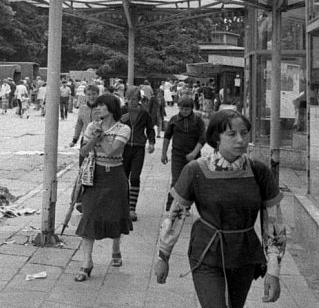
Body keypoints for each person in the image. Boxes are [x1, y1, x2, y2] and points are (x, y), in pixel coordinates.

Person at [154, 110, 286, 308]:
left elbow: (274, 225)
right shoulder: (196, 170)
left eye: (244, 132)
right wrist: (163, 256)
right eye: (232, 134)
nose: (240, 140)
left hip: (244, 255)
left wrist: (273, 271)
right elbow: (175, 215)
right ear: (216, 137)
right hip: (206, 252)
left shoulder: (259, 172)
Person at [73, 93, 132, 282]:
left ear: (112, 108)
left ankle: (115, 248)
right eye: (96, 106)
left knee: (116, 215)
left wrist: (101, 137)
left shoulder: (124, 129)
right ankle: (86, 263)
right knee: (89, 216)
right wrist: (93, 138)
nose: (97, 109)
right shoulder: (91, 126)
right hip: (95, 177)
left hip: (115, 177)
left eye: (101, 106)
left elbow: (112, 150)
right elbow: (83, 151)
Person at [160, 96, 206, 211]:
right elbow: (167, 137)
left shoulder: (197, 120)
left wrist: (194, 153)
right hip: (177, 155)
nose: (184, 111)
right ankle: (170, 206)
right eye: (181, 109)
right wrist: (163, 153)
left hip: (193, 155)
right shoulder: (174, 120)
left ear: (191, 109)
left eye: (187, 109)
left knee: (192, 181)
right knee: (176, 180)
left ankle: (185, 206)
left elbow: (203, 138)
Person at [119, 87, 156, 221]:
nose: (131, 102)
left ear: (139, 100)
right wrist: (121, 121)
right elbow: (112, 125)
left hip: (138, 147)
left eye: (133, 99)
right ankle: (123, 206)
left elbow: (150, 129)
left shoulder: (144, 112)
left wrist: (151, 142)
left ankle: (132, 208)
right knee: (122, 177)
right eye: (128, 99)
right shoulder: (122, 110)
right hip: (124, 146)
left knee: (134, 177)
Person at [70, 85, 101, 153]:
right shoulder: (82, 108)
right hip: (86, 139)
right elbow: (79, 124)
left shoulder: (102, 108)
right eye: (88, 94)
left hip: (100, 140)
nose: (91, 97)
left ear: (98, 94)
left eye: (94, 94)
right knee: (83, 161)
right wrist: (75, 139)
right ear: (85, 95)